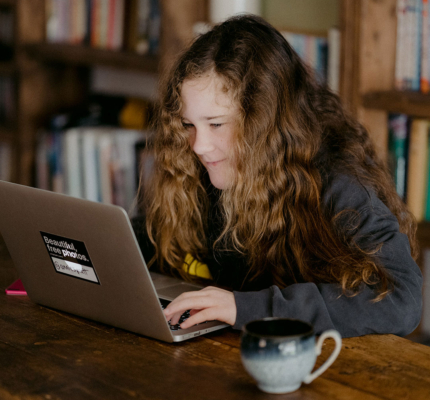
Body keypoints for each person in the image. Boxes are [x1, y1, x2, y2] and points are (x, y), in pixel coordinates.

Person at [132, 15, 422, 338]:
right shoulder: (207, 167)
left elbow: (402, 299)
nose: (199, 146)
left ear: (264, 122)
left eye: (216, 124)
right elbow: (150, 239)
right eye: (189, 125)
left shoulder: (338, 180)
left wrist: (245, 308)